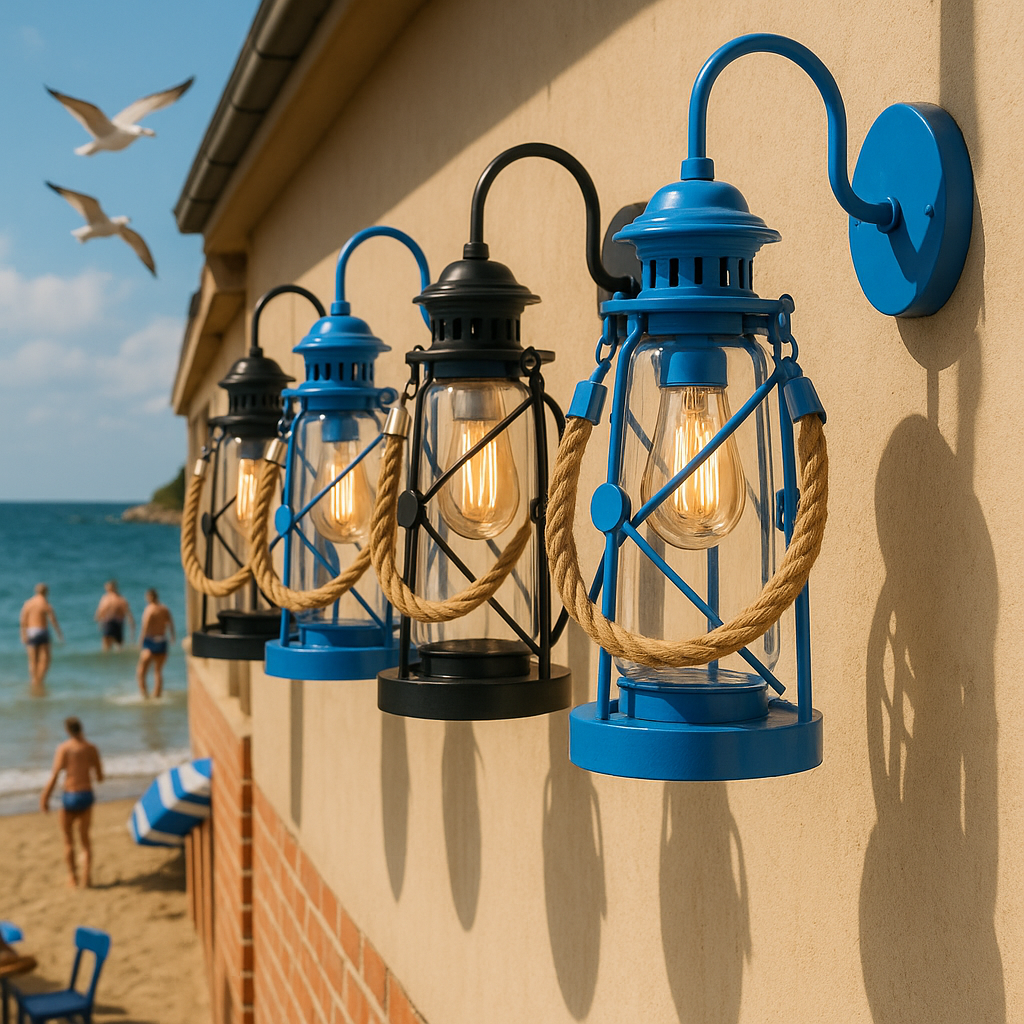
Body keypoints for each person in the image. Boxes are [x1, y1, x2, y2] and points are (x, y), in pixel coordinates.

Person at [40, 717, 103, 889]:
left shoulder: (64, 748)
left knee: (68, 841)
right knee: (85, 840)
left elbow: (55, 775)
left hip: (70, 795)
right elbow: (100, 777)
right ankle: (86, 878)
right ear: (81, 728)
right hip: (86, 795)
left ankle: (73, 878)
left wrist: (45, 797)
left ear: (67, 730)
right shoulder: (91, 748)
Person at [19, 584, 63, 695]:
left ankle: (33, 680)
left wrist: (23, 634)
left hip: (31, 632)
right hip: (42, 631)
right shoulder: (44, 603)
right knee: (45, 659)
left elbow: (23, 620)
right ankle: (40, 680)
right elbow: (52, 620)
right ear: (46, 592)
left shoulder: (28, 603)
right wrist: (59, 634)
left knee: (32, 660)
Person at [137, 588, 175, 699]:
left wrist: (141, 641)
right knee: (158, 671)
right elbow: (170, 624)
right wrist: (172, 636)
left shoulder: (149, 609)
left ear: (149, 597)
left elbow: (145, 626)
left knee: (141, 671)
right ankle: (157, 695)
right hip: (162, 640)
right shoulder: (164, 609)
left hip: (150, 641)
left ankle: (145, 695)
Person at [94, 579, 135, 652]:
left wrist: (98, 620)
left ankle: (107, 658)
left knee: (106, 646)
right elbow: (128, 613)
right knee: (119, 646)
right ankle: (119, 659)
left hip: (109, 622)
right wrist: (132, 624)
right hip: (118, 622)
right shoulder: (121, 598)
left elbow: (100, 611)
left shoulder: (106, 598)